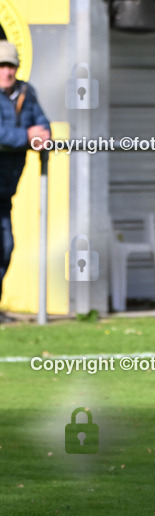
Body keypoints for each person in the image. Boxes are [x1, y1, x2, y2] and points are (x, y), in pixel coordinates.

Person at [0, 41, 49, 324]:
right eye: (1, 66)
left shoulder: (27, 94)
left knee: (5, 247)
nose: (6, 72)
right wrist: (27, 137)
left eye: (10, 66)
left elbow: (42, 124)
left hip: (5, 191)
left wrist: (44, 135)